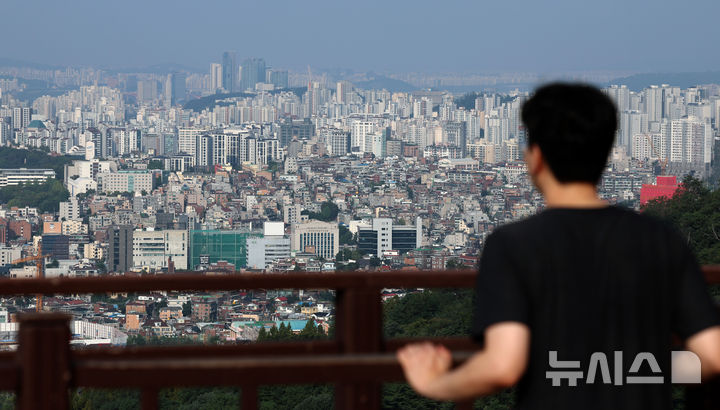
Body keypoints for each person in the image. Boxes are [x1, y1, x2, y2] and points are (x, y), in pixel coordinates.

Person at [397, 83, 720, 409]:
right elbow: (711, 355)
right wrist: (642, 371)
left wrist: (436, 383)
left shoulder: (513, 245)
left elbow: (503, 366)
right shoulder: (661, 239)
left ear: (535, 159)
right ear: (607, 154)